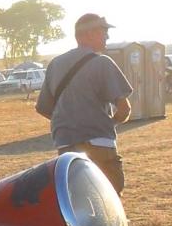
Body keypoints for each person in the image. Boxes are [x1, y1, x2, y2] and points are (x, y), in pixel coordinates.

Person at [36, 13, 134, 194]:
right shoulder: (102, 62)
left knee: (79, 198)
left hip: (65, 143)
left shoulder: (55, 64)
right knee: (110, 195)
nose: (107, 36)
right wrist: (109, 122)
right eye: (103, 31)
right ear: (88, 34)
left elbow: (44, 108)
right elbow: (124, 109)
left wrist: (69, 121)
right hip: (99, 141)